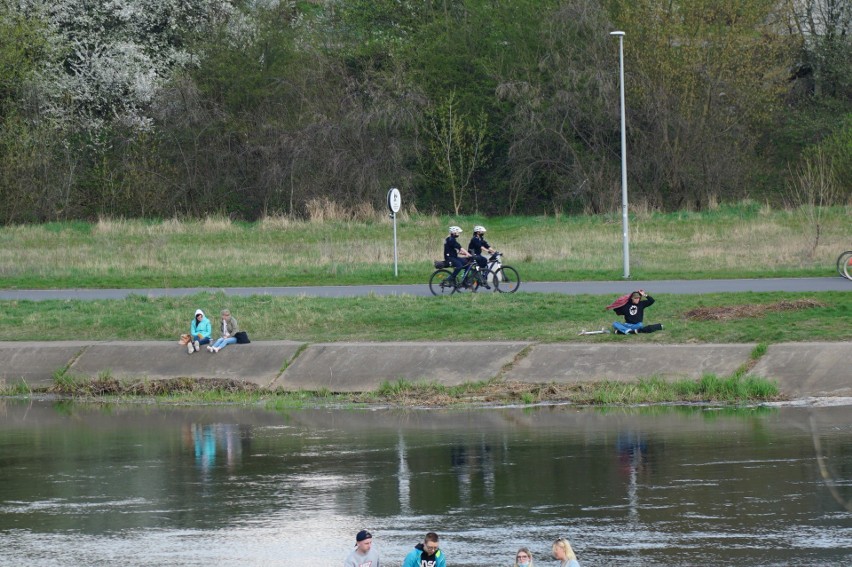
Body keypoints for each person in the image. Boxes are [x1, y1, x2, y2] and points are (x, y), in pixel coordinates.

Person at [468, 225, 495, 289]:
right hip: (473, 255)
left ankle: (483, 280)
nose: (483, 233)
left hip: (478, 255)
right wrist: (488, 251)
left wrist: (495, 251)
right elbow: (480, 246)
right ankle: (480, 279)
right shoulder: (474, 239)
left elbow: (487, 245)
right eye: (482, 232)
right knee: (484, 260)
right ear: (478, 232)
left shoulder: (480, 239)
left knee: (486, 265)